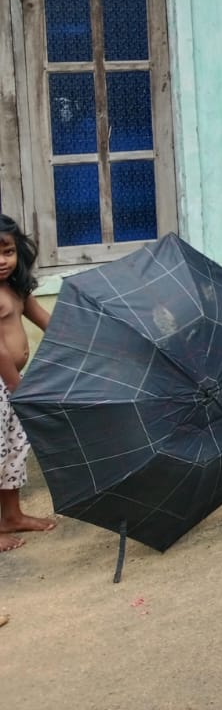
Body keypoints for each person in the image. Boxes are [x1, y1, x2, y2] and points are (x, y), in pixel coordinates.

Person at [0, 215, 54, 554]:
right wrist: (16, 385)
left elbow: (48, 321)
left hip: (12, 385)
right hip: (6, 381)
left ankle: (11, 516)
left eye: (7, 251)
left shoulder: (17, 289)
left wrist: (79, 339)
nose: (1, 261)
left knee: (15, 449)